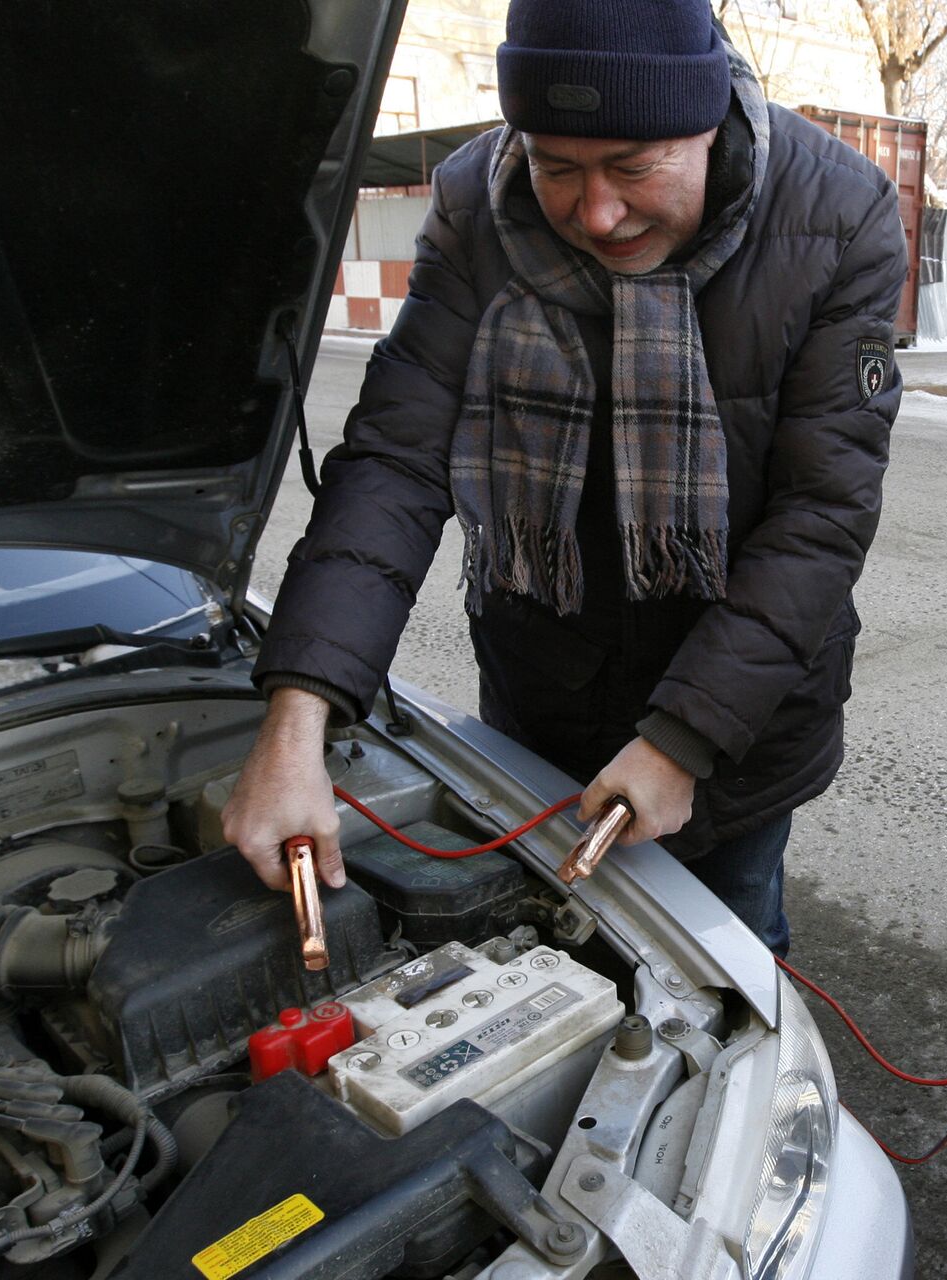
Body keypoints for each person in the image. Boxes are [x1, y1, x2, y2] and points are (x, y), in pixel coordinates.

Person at [223, 0, 907, 956]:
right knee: (543, 959)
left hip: (737, 731)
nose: (598, 213)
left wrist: (683, 742)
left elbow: (822, 513)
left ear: (707, 123)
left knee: (729, 952)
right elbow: (397, 458)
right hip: (540, 697)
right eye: (556, 166)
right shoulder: (476, 200)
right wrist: (298, 721)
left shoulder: (842, 214)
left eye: (632, 166)